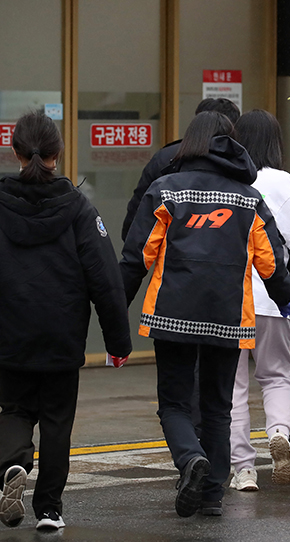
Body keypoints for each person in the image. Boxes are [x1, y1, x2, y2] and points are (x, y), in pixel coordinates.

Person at [119, 111, 290, 518]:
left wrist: (114, 312)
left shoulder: (166, 190)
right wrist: (287, 299)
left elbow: (136, 257)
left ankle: (190, 460)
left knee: (175, 404)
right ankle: (212, 494)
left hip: (172, 315)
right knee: (218, 406)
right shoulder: (248, 199)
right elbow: (271, 262)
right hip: (228, 316)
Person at [0, 112, 131, 531]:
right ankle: (51, 510)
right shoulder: (78, 209)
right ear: (57, 153)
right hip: (61, 335)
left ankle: (12, 465)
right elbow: (106, 279)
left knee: (13, 409)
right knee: (57, 419)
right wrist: (118, 342)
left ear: (15, 151)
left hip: (9, 333)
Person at [228, 110, 290, 491]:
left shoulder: (228, 177)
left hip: (232, 298)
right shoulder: (282, 181)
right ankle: (279, 433)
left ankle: (243, 470)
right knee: (276, 375)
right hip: (275, 296)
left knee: (234, 385)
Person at [121, 98, 241, 241]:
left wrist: (133, 247)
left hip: (171, 249)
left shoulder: (166, 157)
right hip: (227, 249)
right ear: (233, 127)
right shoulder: (240, 161)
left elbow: (139, 208)